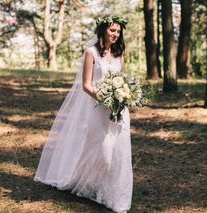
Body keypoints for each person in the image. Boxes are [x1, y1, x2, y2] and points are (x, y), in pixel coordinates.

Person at [34, 15, 132, 213]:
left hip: (118, 110)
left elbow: (122, 81)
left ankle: (111, 192)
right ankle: (83, 181)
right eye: (112, 30)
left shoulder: (119, 53)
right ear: (103, 29)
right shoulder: (91, 52)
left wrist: (122, 99)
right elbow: (86, 85)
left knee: (117, 150)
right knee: (98, 147)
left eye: (118, 31)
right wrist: (105, 99)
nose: (115, 34)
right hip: (97, 108)